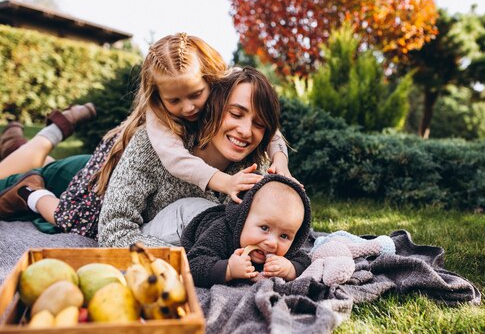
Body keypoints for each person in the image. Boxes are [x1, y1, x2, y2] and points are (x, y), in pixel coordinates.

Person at [0, 33, 291, 236]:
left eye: (195, 95)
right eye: (175, 101)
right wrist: (223, 181)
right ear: (158, 98)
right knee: (77, 217)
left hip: (96, 166)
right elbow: (176, 160)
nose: (188, 108)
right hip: (110, 169)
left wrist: (279, 156)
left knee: (50, 165)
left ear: (211, 79)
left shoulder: (223, 85)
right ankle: (32, 190)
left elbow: (262, 117)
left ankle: (15, 143)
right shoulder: (159, 122)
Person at [97, 66, 285, 247]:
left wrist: (281, 159)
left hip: (206, 254)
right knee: (196, 211)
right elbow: (113, 231)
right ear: (212, 106)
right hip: (95, 181)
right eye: (236, 114)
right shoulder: (153, 145)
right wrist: (191, 263)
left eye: (259, 124)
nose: (246, 131)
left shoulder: (256, 163)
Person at [181, 174, 312, 288]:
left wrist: (290, 269)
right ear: (243, 218)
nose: (272, 243)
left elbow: (305, 262)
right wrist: (228, 269)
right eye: (265, 228)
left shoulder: (285, 251)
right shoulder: (220, 233)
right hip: (184, 215)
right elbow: (192, 266)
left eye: (284, 236)